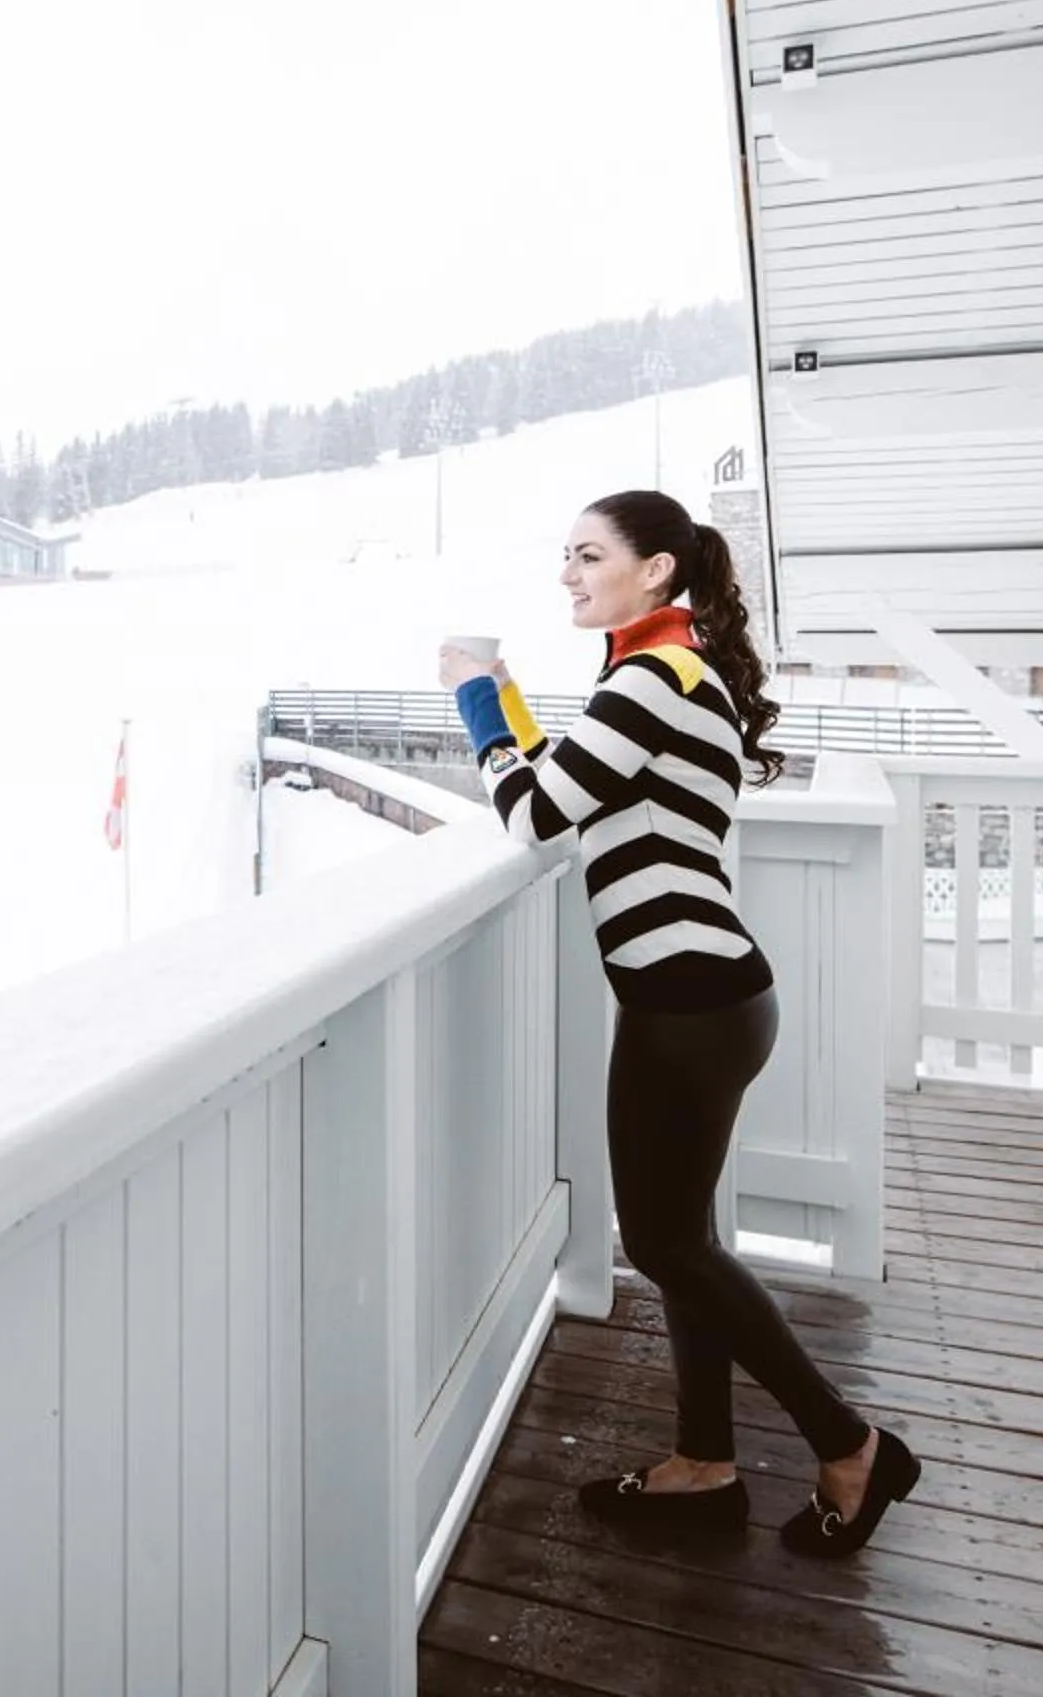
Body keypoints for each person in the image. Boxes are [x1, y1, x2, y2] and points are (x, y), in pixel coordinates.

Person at [436, 489, 917, 1560]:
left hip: (689, 1003)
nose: (568, 572)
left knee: (663, 1241)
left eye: (588, 554)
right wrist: (514, 702)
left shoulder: (652, 679)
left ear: (654, 570)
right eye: (562, 555)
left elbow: (536, 812)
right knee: (682, 1242)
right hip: (704, 996)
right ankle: (703, 1462)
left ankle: (850, 1441)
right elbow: (581, 777)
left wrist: (472, 694)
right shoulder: (663, 672)